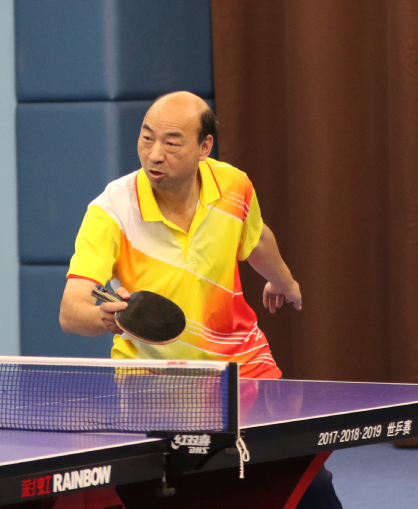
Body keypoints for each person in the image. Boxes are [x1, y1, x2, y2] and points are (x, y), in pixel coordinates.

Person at [59, 91, 341, 508]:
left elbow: (256, 237)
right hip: (155, 387)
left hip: (243, 370)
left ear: (204, 146)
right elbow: (71, 310)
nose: (154, 154)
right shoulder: (111, 212)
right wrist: (106, 317)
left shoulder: (233, 185)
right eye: (146, 138)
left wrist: (284, 281)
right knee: (174, 494)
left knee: (307, 485)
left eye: (172, 142)